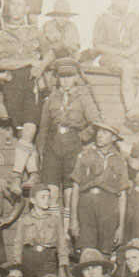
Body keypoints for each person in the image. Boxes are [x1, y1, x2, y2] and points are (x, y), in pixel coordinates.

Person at [0, 0, 53, 179]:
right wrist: (28, 62)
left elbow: (49, 53)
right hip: (12, 85)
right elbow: (2, 63)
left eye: (20, 4)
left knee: (30, 128)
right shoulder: (2, 34)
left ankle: (17, 173)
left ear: (27, 9)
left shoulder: (35, 32)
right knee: (22, 133)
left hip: (32, 84)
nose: (16, 8)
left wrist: (41, 66)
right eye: (13, 4)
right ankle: (33, 173)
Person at [37, 59, 97, 229]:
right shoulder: (51, 98)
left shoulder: (84, 98)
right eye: (62, 77)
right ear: (58, 78)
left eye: (69, 77)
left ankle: (67, 231)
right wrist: (40, 151)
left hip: (74, 145)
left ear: (76, 77)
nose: (65, 81)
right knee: (52, 190)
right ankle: (56, 232)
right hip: (53, 146)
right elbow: (44, 126)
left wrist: (83, 137)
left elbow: (96, 122)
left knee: (70, 191)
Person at [69, 121, 130, 253]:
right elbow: (75, 188)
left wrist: (121, 227)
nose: (99, 135)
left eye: (105, 132)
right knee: (86, 252)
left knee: (105, 252)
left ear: (114, 138)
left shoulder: (120, 161)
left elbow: (122, 195)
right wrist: (73, 219)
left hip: (109, 209)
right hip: (86, 207)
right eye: (98, 131)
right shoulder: (85, 155)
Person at [92, 0, 139, 114]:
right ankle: (131, 108)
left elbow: (137, 41)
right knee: (127, 67)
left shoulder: (132, 18)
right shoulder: (104, 18)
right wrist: (118, 52)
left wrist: (129, 52)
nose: (125, 3)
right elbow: (97, 44)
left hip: (129, 56)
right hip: (110, 57)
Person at [15, 183, 69, 277]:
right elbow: (18, 244)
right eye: (42, 197)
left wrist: (63, 266)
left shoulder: (55, 220)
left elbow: (62, 245)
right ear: (33, 200)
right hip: (29, 260)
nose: (46, 200)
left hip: (48, 260)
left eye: (48, 197)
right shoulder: (24, 220)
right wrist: (17, 266)